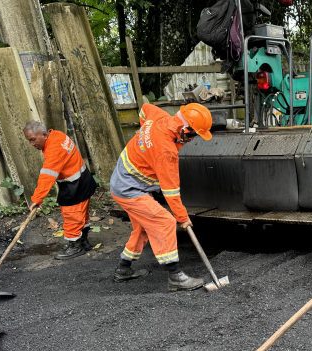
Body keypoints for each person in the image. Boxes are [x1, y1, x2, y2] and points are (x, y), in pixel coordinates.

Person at [110, 103, 213, 291]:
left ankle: (123, 269)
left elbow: (144, 108)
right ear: (184, 128)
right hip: (128, 189)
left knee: (142, 227)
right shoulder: (166, 152)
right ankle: (175, 277)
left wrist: (144, 136)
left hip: (124, 179)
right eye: (192, 135)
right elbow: (171, 193)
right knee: (164, 221)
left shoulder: (159, 117)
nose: (191, 140)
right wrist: (183, 218)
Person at [24, 121, 97, 259]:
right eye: (29, 141)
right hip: (83, 179)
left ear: (44, 134)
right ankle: (83, 242)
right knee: (81, 214)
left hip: (74, 185)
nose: (32, 144)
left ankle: (75, 246)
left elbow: (47, 177)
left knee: (72, 216)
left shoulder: (54, 149)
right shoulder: (58, 135)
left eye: (33, 139)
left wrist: (37, 199)